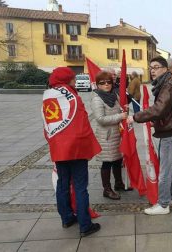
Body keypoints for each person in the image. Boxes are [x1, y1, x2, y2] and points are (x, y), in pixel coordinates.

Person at [42, 67, 101, 237]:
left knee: (63, 185)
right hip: (76, 149)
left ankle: (67, 218)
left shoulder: (47, 95)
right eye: (73, 79)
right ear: (67, 80)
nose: (75, 82)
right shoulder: (73, 96)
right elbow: (82, 124)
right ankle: (85, 225)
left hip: (59, 148)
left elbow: (47, 124)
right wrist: (88, 146)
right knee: (80, 186)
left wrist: (55, 142)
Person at [127, 56, 172, 215]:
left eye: (156, 67)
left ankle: (163, 204)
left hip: (171, 135)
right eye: (151, 67)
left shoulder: (167, 85)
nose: (152, 70)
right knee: (171, 168)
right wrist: (157, 123)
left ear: (165, 68)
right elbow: (168, 111)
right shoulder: (167, 83)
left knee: (165, 171)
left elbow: (159, 109)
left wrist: (135, 117)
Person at [91, 71, 129, 200]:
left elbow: (119, 110)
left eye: (109, 82)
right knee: (107, 162)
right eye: (102, 83)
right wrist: (120, 116)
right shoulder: (97, 99)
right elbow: (100, 119)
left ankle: (118, 183)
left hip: (116, 134)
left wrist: (124, 109)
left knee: (118, 160)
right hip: (106, 136)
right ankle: (106, 189)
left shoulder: (114, 95)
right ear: (98, 85)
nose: (106, 85)